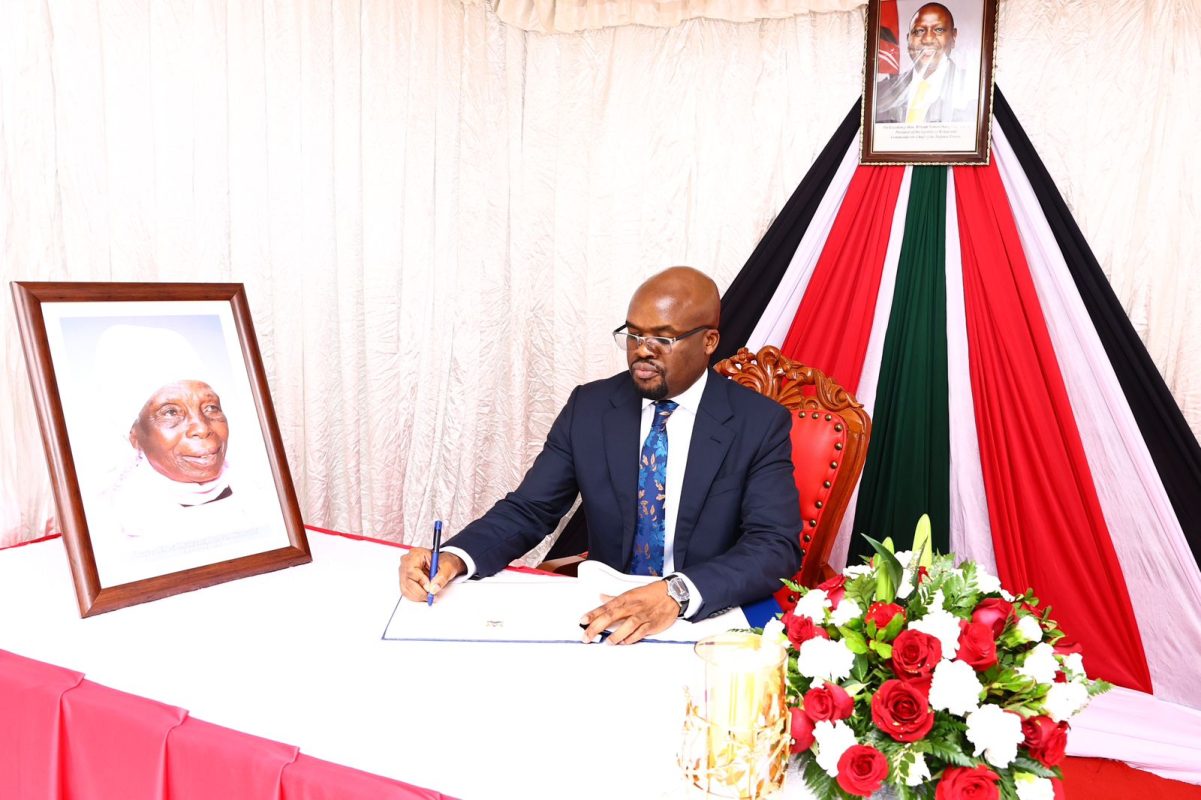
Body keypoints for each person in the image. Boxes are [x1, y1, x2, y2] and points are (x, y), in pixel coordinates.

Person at [399, 267, 802, 644]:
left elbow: (774, 545)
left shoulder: (759, 423)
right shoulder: (590, 408)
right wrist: (453, 557)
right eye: (634, 334)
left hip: (706, 614)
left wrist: (675, 592)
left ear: (708, 342)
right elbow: (530, 510)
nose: (642, 351)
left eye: (662, 338)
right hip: (606, 611)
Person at [874, 3, 975, 125]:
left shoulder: (973, 89)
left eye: (938, 30)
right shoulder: (879, 92)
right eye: (919, 31)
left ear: (953, 37)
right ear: (908, 39)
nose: (927, 39)